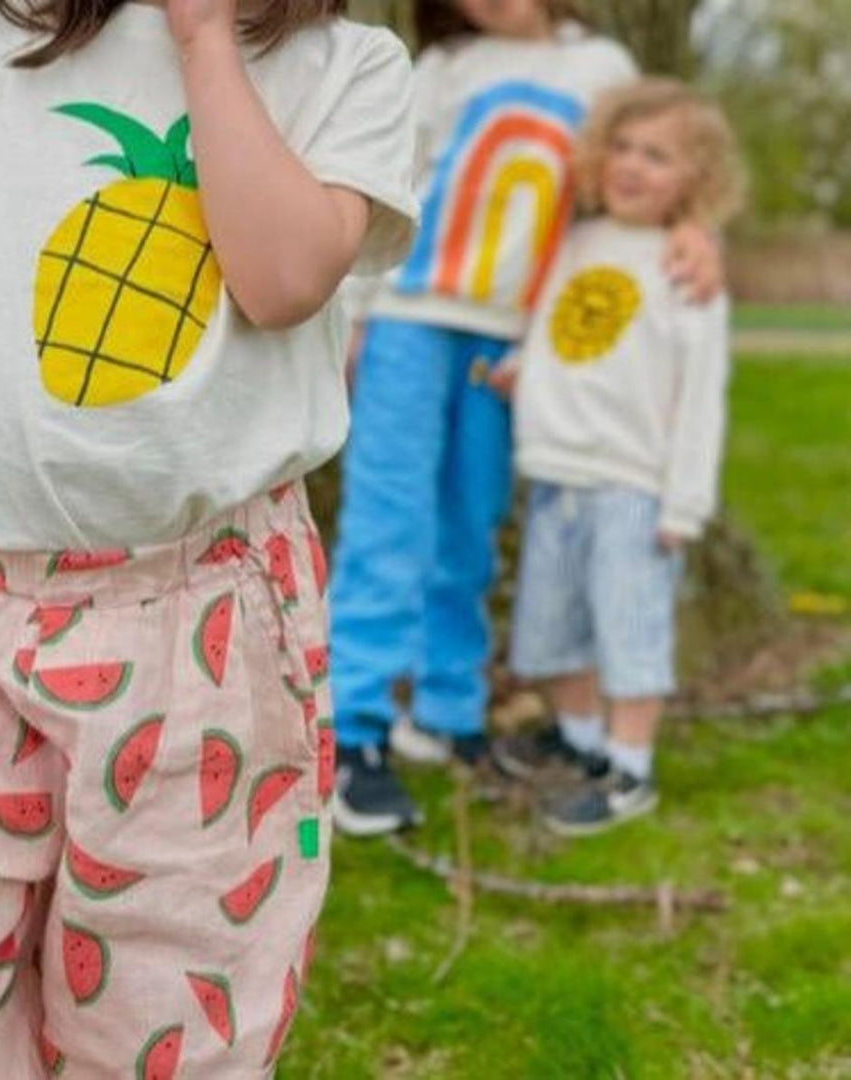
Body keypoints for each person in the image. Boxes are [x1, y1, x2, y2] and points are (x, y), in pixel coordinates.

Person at [0, 0, 418, 1073]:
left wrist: (206, 43)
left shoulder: (348, 66)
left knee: (160, 1023)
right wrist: (28, 403)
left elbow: (283, 280)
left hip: (204, 625)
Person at [330, 0, 720, 838]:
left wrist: (695, 231)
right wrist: (354, 317)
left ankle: (447, 711)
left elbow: (641, 171)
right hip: (408, 317)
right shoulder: (440, 69)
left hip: (510, 334)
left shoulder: (600, 68)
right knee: (388, 523)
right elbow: (383, 188)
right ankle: (353, 729)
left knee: (470, 524)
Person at [497, 77, 745, 835]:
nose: (632, 166)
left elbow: (701, 397)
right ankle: (580, 741)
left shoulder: (687, 268)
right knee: (552, 627)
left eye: (658, 156)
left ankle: (630, 767)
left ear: (697, 179)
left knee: (629, 629)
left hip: (633, 487)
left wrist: (684, 505)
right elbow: (559, 330)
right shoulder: (575, 242)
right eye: (623, 148)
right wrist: (523, 368)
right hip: (556, 476)